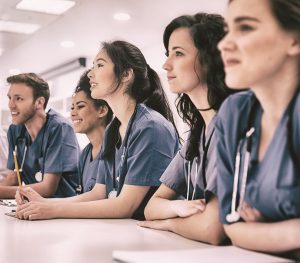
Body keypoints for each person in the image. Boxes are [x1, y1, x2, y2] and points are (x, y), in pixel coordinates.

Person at [15, 40, 180, 221]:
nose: (91, 75)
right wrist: (45, 203)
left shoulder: (151, 127)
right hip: (123, 231)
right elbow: (98, 193)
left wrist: (52, 211)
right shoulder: (113, 129)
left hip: (151, 237)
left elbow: (125, 206)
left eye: (99, 65)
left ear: (125, 75)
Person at [139, 13, 232, 245]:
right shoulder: (197, 135)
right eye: (168, 54)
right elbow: (151, 207)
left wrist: (169, 223)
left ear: (211, 59)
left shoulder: (231, 125)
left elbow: (212, 228)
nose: (166, 64)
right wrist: (178, 206)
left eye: (178, 54)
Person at [216, 0, 300, 257]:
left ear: (295, 40)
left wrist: (264, 232)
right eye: (228, 29)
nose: (223, 44)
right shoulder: (235, 114)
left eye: (245, 28)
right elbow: (232, 227)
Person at [0, 73, 80, 198]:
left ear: (39, 102)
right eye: (9, 98)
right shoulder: (15, 130)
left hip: (63, 209)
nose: (11, 105)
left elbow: (48, 188)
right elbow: (12, 177)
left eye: (18, 98)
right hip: (36, 205)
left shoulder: (59, 128)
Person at [72, 70, 112, 193]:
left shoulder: (114, 151)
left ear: (102, 111)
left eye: (80, 106)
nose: (73, 113)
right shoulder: (85, 155)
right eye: (72, 107)